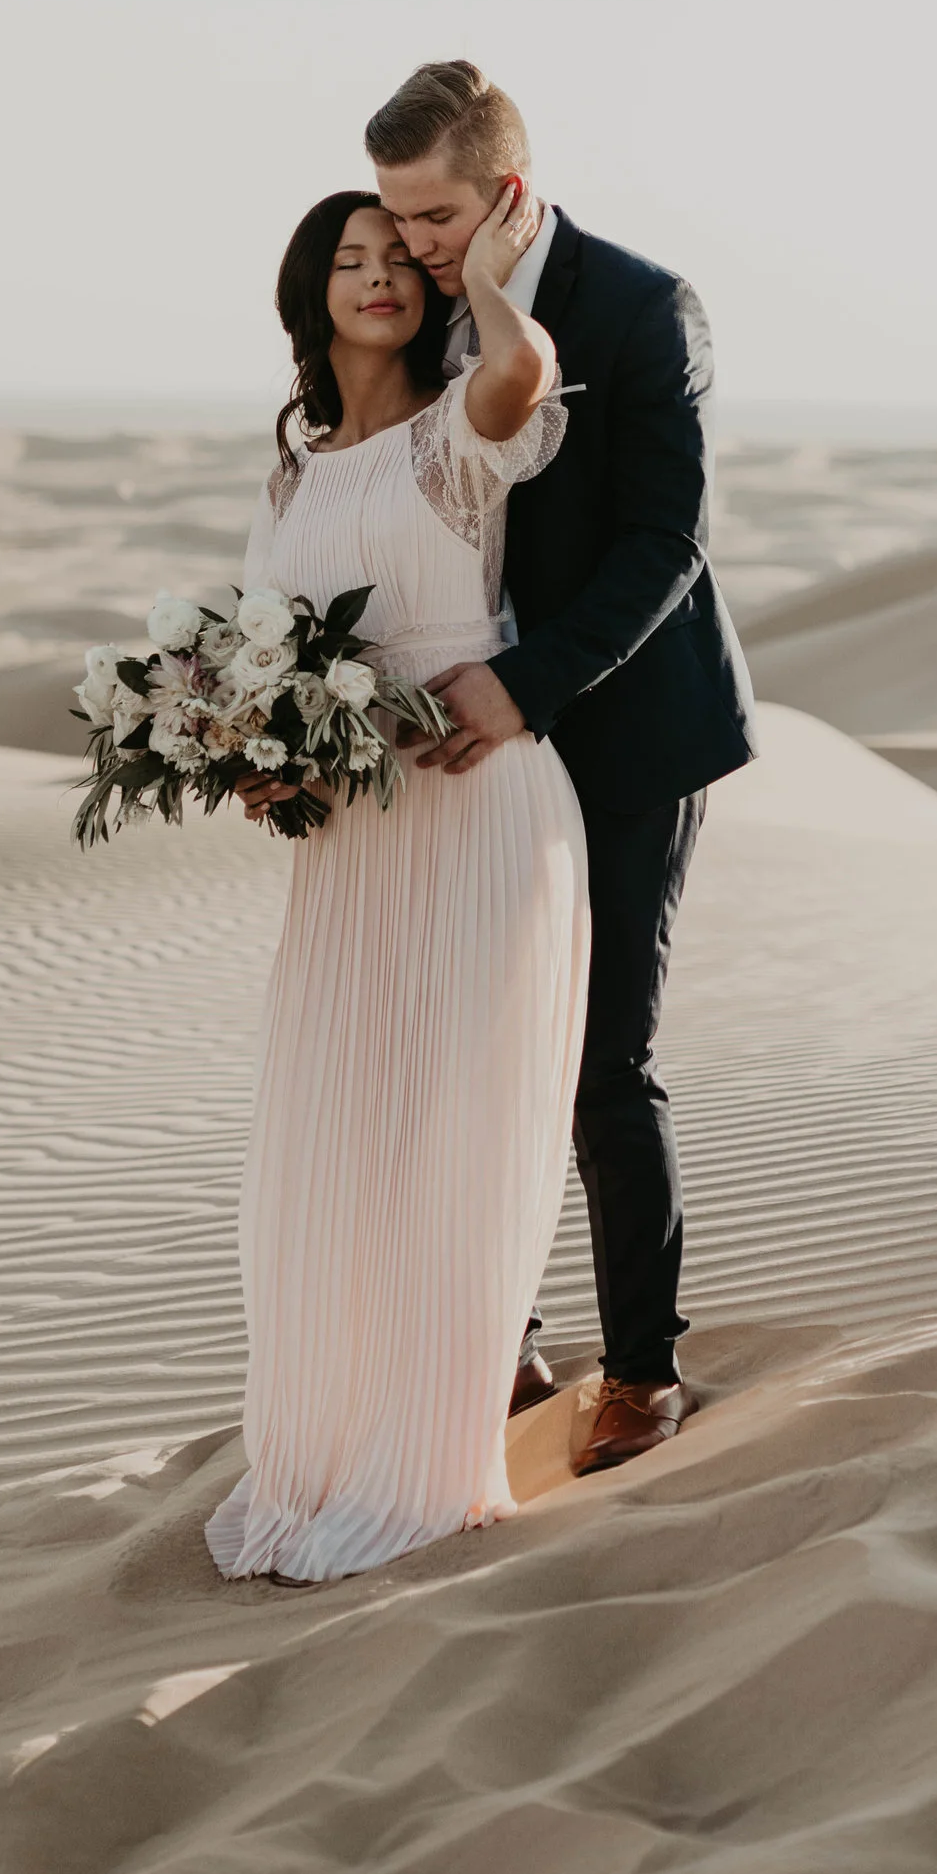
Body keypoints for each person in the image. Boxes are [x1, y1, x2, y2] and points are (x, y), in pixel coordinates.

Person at [368, 60, 756, 1477]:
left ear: (507, 193)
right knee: (472, 1047)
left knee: (601, 1059)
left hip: (629, 726)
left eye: (436, 213)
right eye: (397, 214)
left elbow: (670, 541)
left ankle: (645, 1369)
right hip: (464, 744)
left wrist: (524, 687)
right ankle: (505, 1338)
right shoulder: (407, 313)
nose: (411, 241)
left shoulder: (642, 306)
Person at [206, 186, 589, 1586]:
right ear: (313, 295)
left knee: (451, 1126)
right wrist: (258, 762)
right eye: (348, 260)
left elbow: (522, 376)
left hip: (478, 802)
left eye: (396, 258)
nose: (378, 277)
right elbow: (267, 651)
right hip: (357, 840)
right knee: (341, 1126)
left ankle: (430, 1455)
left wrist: (487, 273)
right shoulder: (294, 475)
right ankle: (326, 1442)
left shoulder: (452, 441)